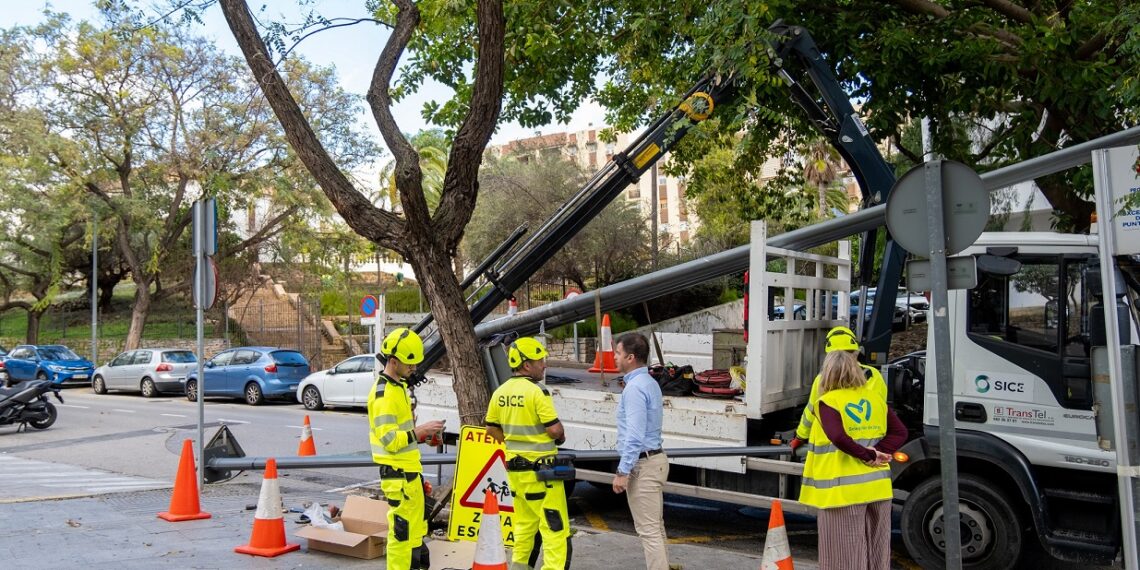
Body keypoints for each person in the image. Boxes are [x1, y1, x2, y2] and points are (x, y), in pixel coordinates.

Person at [799, 349, 908, 570]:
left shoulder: (828, 402)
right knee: (877, 555)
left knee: (843, 558)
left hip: (842, 494)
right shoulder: (874, 399)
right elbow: (900, 432)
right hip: (878, 489)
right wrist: (877, 452)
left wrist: (868, 455)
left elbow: (837, 436)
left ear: (827, 374)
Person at [485, 337, 571, 570]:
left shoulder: (500, 392)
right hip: (543, 475)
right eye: (539, 360)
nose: (543, 364)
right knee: (555, 529)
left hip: (516, 474)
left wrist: (513, 441)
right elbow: (554, 430)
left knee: (524, 528)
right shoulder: (537, 392)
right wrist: (561, 436)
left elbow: (491, 429)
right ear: (526, 365)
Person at [369, 327, 445, 570]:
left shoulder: (398, 387)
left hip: (408, 476)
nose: (414, 369)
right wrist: (419, 432)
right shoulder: (384, 394)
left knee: (413, 534)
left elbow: (403, 436)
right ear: (393, 361)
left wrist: (424, 438)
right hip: (398, 477)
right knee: (402, 538)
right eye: (410, 364)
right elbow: (390, 440)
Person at [611, 333, 671, 570]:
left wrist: (623, 471)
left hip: (643, 466)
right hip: (653, 460)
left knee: (648, 532)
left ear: (630, 357)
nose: (615, 357)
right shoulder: (649, 382)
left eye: (618, 353)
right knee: (655, 528)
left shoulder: (635, 388)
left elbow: (634, 435)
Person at [791, 326, 887, 453]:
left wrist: (800, 437)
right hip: (871, 445)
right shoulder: (874, 375)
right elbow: (882, 409)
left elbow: (811, 412)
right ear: (856, 351)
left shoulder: (822, 380)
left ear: (829, 354)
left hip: (832, 450)